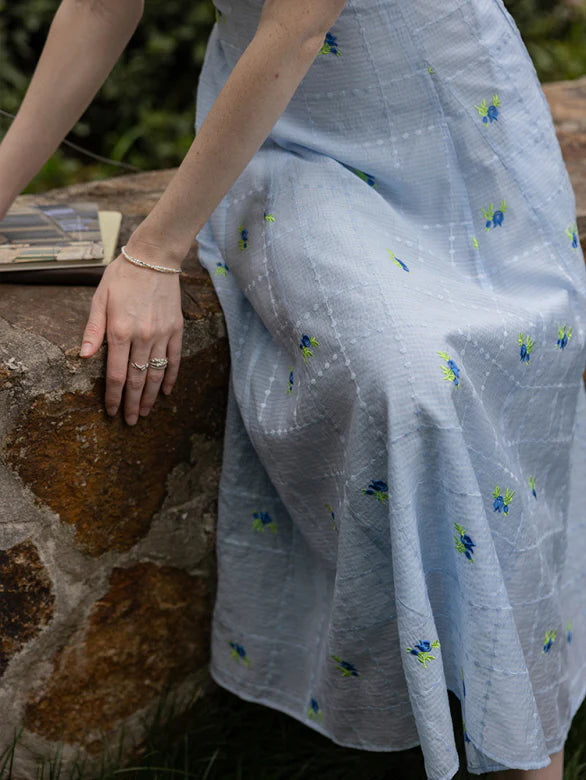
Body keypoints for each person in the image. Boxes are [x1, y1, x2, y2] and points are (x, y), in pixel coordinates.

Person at [1, 0, 585, 777]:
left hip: (458, 130)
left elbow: (298, 22)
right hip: (286, 143)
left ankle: (524, 738)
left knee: (491, 378)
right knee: (403, 379)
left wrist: (152, 254)